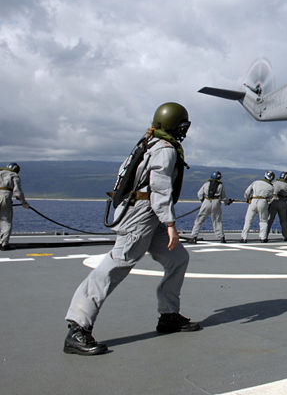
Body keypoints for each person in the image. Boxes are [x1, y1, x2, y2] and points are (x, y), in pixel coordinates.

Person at [63, 102, 199, 356]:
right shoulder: (165, 150)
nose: (185, 130)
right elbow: (159, 189)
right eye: (183, 125)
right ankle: (78, 326)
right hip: (142, 215)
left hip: (145, 213)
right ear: (175, 125)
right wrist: (170, 224)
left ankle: (168, 315)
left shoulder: (147, 143)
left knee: (178, 258)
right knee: (117, 264)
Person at [188, 171, 227, 243]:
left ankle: (194, 237)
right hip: (216, 202)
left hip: (206, 201)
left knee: (199, 220)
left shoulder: (206, 184)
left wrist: (203, 201)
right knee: (217, 220)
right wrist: (227, 202)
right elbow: (224, 197)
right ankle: (221, 237)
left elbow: (199, 194)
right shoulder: (221, 185)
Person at [0, 162, 30, 251]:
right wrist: (24, 203)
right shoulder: (14, 175)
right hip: (5, 198)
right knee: (6, 221)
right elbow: (18, 192)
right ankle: (4, 244)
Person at [241, 171, 275, 243]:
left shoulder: (256, 182)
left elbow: (247, 192)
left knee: (248, 220)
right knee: (263, 221)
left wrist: (247, 198)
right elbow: (270, 198)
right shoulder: (271, 187)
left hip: (253, 201)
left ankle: (244, 237)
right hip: (263, 202)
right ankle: (263, 238)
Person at [266, 171, 287, 241]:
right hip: (282, 203)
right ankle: (285, 236)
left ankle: (265, 235)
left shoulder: (274, 183)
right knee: (284, 221)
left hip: (273, 202)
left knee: (269, 220)